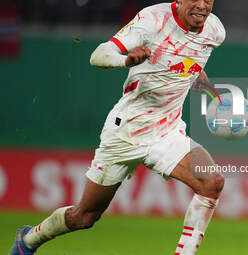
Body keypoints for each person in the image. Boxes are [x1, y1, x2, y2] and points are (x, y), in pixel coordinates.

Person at [10, 0, 226, 254]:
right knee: (85, 216)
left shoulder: (214, 31)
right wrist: (125, 60)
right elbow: (99, 55)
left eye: (208, 0)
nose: (202, 5)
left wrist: (204, 83)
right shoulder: (152, 20)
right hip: (126, 131)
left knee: (212, 182)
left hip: (167, 131)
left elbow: (189, 60)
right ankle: (28, 240)